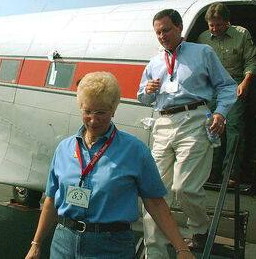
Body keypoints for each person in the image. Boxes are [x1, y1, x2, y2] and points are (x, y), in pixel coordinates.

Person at [26, 72, 195, 259]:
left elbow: (155, 203)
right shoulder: (64, 149)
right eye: (87, 111)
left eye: (101, 113)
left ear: (113, 110)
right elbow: (51, 201)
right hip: (64, 242)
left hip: (111, 246)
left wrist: (181, 249)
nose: (93, 119)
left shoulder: (135, 151)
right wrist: (36, 244)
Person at [137, 9, 237, 258]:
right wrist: (147, 90)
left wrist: (221, 112)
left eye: (166, 30)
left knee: (184, 187)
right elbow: (143, 97)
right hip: (162, 124)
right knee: (154, 193)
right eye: (158, 32)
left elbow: (227, 86)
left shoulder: (203, 52)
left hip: (194, 120)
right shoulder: (154, 62)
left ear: (180, 28)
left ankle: (199, 230)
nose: (162, 36)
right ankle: (156, 253)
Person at [197, 2, 256, 185]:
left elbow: (252, 60)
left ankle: (230, 174)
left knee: (233, 128)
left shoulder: (241, 34)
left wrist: (246, 81)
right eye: (212, 25)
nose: (215, 29)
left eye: (219, 25)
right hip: (211, 88)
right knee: (211, 129)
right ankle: (211, 172)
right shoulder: (203, 39)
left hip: (234, 86)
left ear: (227, 22)